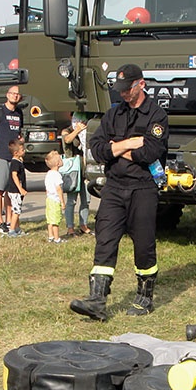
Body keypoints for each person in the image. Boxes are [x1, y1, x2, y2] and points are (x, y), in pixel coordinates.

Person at [70, 64, 168, 320]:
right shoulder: (113, 114)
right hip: (114, 186)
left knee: (144, 245)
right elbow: (97, 148)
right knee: (105, 240)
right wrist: (128, 144)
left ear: (141, 84)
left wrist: (116, 148)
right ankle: (97, 301)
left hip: (143, 188)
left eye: (128, 89)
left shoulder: (156, 115)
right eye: (121, 89)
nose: (123, 94)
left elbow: (150, 153)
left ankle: (144, 297)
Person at [0, 85, 24, 233]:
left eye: (17, 94)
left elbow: (19, 133)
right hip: (0, 155)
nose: (15, 96)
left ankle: (9, 221)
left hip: (13, 157)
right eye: (12, 93)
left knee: (11, 190)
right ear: (7, 95)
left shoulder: (19, 113)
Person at [61, 114, 93, 236]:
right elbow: (67, 140)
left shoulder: (88, 130)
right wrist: (77, 130)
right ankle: (70, 227)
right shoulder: (67, 130)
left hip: (85, 167)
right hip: (73, 169)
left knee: (86, 200)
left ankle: (83, 225)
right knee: (71, 201)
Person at [4, 139, 28, 238]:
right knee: (16, 210)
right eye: (22, 150)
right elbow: (14, 176)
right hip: (15, 190)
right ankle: (12, 230)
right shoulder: (15, 163)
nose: (24, 151)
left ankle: (17, 228)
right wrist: (20, 188)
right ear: (16, 153)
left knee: (17, 208)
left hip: (16, 191)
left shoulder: (18, 161)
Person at [44, 150, 66, 243]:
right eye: (60, 159)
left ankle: (50, 236)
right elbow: (59, 189)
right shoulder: (57, 175)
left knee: (50, 219)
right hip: (55, 200)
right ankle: (57, 238)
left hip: (49, 199)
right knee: (56, 220)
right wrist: (62, 201)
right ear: (57, 163)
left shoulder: (48, 174)